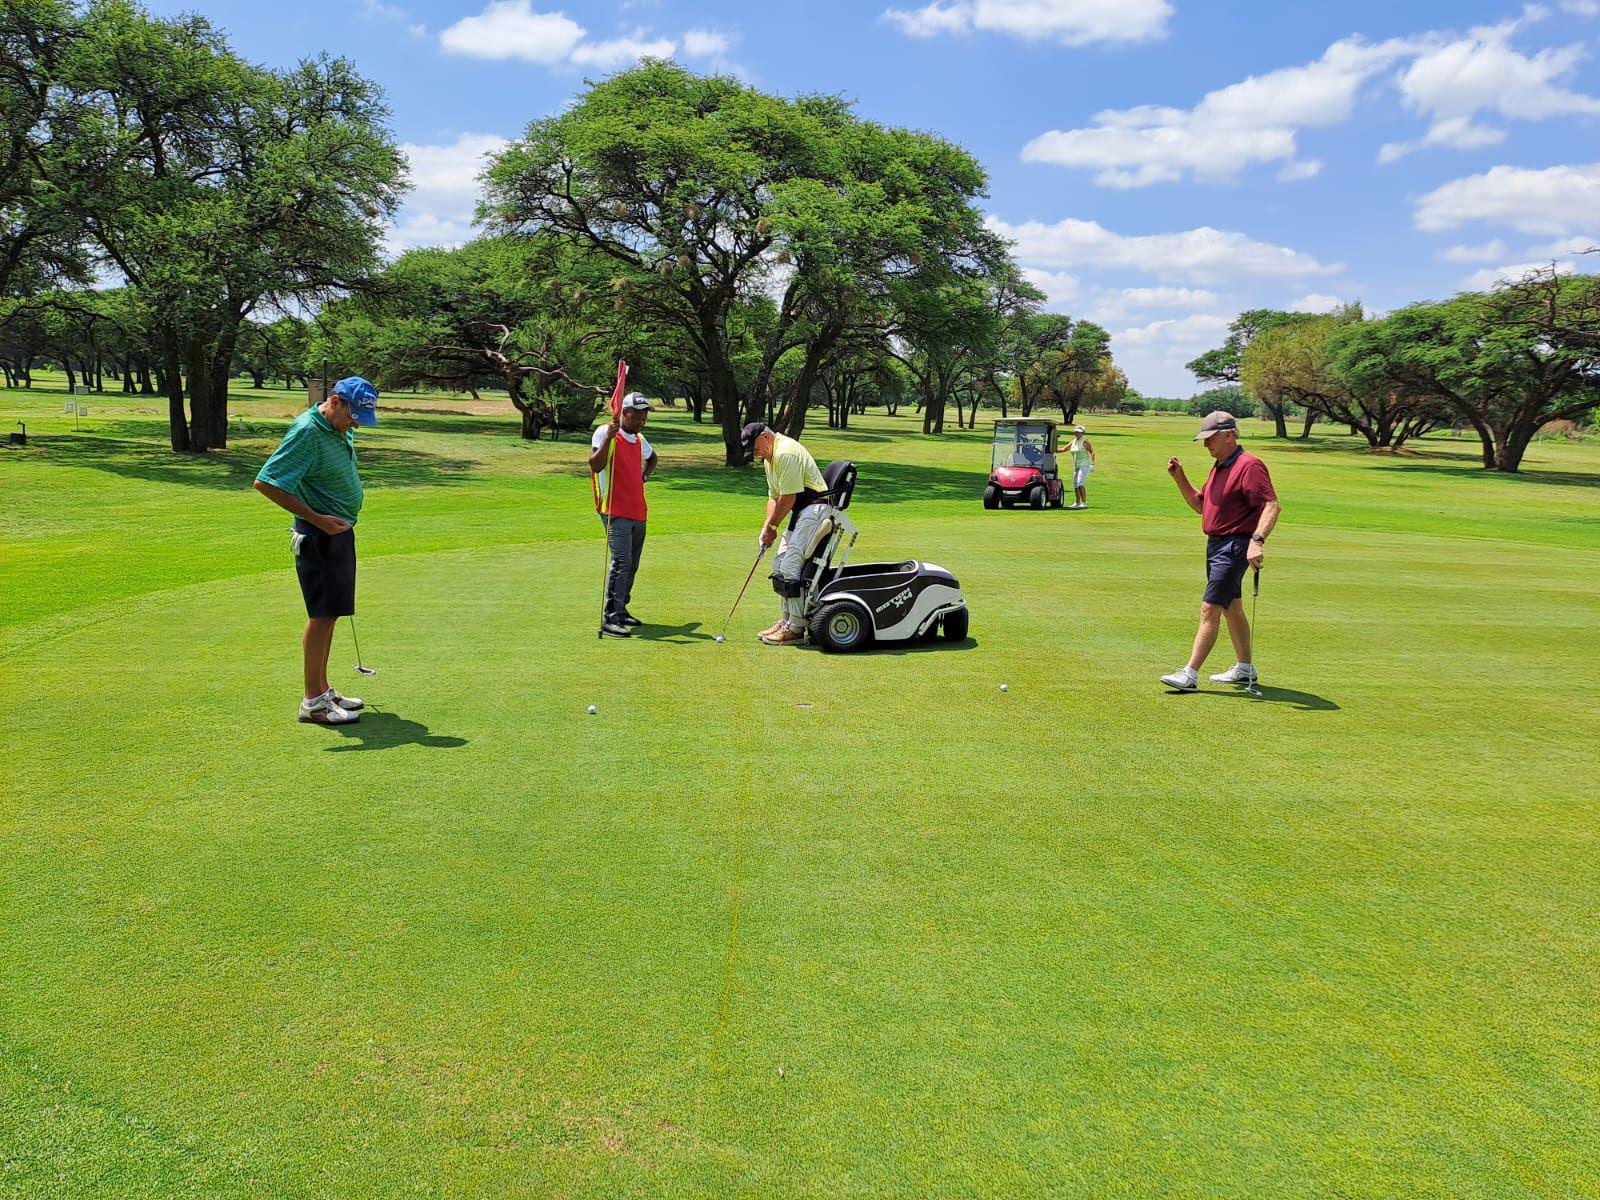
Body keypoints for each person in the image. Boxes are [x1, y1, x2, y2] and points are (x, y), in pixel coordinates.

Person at [253, 376, 379, 725]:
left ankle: (323, 690)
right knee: (321, 616)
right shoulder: (308, 431)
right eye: (353, 415)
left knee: (332, 613)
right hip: (318, 535)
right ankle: (312, 701)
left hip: (336, 533)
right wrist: (319, 520)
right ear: (335, 401)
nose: (356, 424)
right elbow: (267, 482)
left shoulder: (338, 428)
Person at [1160, 411, 1280, 692]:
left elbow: (1272, 505)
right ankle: (1245, 668)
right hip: (1216, 545)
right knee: (1231, 607)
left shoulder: (1249, 466)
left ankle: (1189, 674)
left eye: (1210, 439)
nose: (1206, 445)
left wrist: (1257, 540)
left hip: (1235, 545)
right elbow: (1202, 506)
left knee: (1210, 607)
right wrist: (1180, 478)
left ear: (1229, 435)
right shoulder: (1220, 466)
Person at [741, 421, 829, 646]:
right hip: (801, 510)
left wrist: (773, 528)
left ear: (766, 437)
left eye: (755, 446)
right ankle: (787, 620)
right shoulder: (769, 459)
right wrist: (767, 527)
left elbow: (788, 498)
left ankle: (797, 628)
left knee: (791, 565)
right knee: (779, 564)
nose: (755, 452)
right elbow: (774, 498)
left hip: (816, 507)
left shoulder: (785, 453)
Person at [589, 392, 659, 639]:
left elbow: (653, 459)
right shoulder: (605, 432)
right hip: (613, 509)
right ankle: (611, 618)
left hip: (637, 509)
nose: (642, 419)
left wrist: (644, 476)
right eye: (637, 414)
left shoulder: (640, 439)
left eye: (644, 414)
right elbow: (596, 465)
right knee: (621, 562)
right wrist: (609, 436)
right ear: (623, 412)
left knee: (632, 563)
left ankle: (622, 608)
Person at [1067, 424, 1095, 509]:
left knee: (1080, 483)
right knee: (1075, 484)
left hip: (1084, 465)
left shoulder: (1085, 441)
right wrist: (1052, 449)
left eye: (1079, 432)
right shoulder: (1073, 441)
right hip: (1077, 466)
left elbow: (1092, 451)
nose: (1077, 433)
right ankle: (1077, 502)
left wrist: (1092, 464)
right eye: (1076, 432)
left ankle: (1084, 503)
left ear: (1082, 433)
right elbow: (1064, 449)